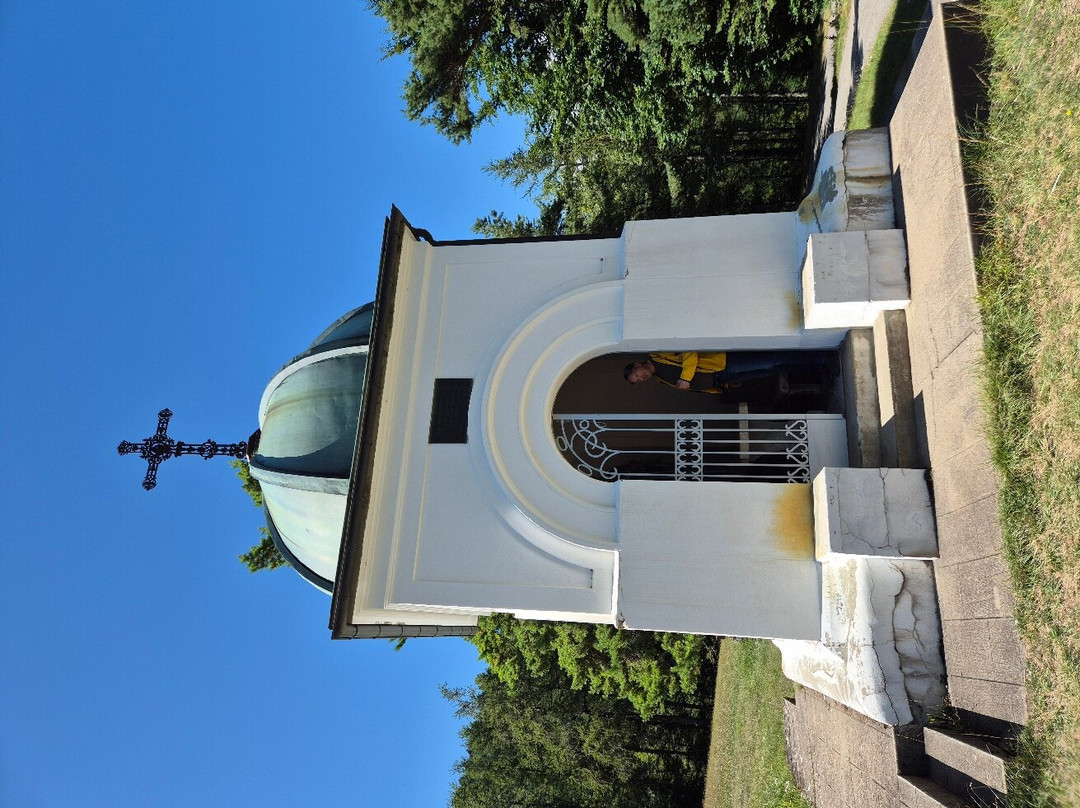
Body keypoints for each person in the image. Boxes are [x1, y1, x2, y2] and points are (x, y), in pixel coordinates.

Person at [624, 350, 838, 391]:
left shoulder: (658, 355)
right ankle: (817, 368)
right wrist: (722, 386)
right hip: (723, 377)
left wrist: (684, 378)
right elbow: (696, 387)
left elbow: (690, 352)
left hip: (723, 363)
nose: (642, 377)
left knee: (771, 361)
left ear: (637, 365)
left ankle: (821, 357)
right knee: (775, 369)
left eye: (638, 374)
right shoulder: (661, 379)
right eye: (639, 380)